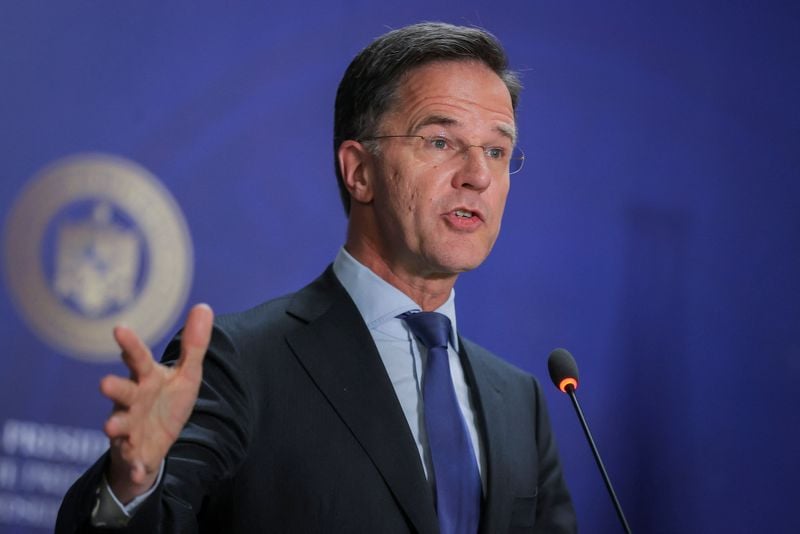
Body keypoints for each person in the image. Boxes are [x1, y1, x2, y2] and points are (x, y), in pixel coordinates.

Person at [56, 22, 577, 533]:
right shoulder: (241, 363)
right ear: (359, 172)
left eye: (496, 151)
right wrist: (133, 487)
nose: (478, 176)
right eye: (441, 141)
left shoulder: (521, 403)